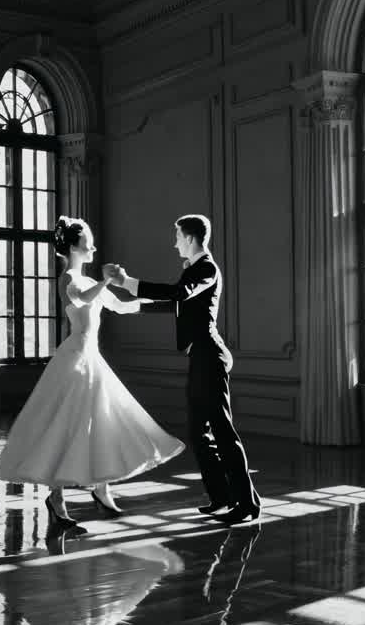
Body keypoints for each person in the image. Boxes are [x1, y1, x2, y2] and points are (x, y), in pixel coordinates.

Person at [0, 216, 185, 530]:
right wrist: (106, 281)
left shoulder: (89, 280)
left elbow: (122, 306)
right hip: (74, 360)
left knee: (103, 421)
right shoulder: (68, 278)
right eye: (87, 243)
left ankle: (101, 489)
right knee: (64, 425)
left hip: (91, 358)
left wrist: (172, 306)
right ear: (72, 248)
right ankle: (57, 499)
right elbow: (81, 298)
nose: (93, 248)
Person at [105, 213, 261, 524]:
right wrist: (130, 305)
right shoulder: (193, 271)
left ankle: (247, 504)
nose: (174, 244)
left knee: (222, 433)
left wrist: (127, 283)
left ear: (189, 238)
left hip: (210, 358)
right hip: (200, 358)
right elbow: (177, 303)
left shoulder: (206, 268)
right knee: (199, 434)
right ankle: (222, 498)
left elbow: (178, 294)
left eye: (177, 237)